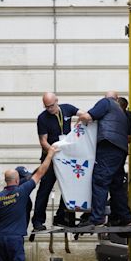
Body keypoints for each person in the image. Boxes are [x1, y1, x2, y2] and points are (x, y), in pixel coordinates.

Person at [77, 92, 131, 228]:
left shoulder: (106, 103)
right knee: (116, 185)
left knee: (100, 180)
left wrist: (78, 117)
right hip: (120, 150)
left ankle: (97, 218)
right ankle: (126, 218)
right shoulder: (120, 111)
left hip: (108, 146)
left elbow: (88, 116)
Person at [32, 92, 83, 231]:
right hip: (50, 157)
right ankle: (37, 221)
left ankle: (63, 216)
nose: (50, 109)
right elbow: (43, 141)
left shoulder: (67, 109)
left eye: (52, 106)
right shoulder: (42, 118)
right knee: (45, 189)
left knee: (69, 187)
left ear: (57, 101)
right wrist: (52, 152)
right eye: (47, 106)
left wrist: (79, 125)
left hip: (66, 157)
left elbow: (84, 115)